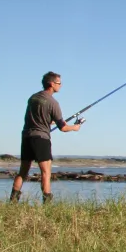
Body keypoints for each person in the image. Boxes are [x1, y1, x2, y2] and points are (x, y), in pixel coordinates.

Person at [10, 71, 84, 204]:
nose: (61, 85)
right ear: (51, 83)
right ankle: (47, 203)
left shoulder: (33, 98)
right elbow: (63, 128)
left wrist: (51, 121)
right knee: (46, 172)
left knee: (23, 171)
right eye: (59, 83)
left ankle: (13, 202)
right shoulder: (53, 103)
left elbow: (36, 118)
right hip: (41, 139)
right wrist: (75, 127)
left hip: (26, 137)